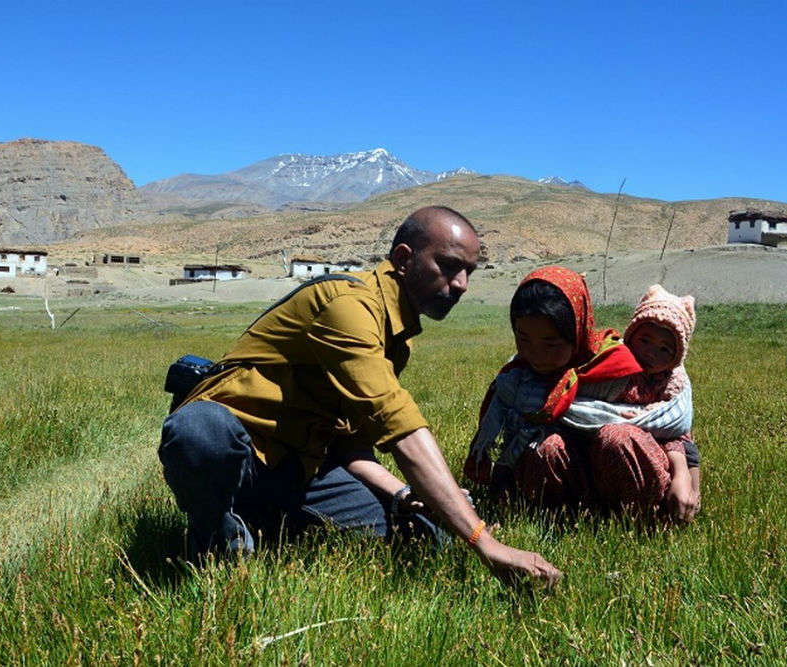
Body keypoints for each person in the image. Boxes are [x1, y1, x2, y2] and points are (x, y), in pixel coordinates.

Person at [159, 206, 561, 588]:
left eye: (469, 272)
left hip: (300, 470)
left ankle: (256, 520)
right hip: (241, 455)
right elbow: (397, 423)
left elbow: (351, 445)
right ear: (404, 259)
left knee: (425, 535)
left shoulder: (395, 340)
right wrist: (485, 543)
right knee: (201, 430)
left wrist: (404, 495)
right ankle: (216, 543)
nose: (460, 285)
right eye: (449, 266)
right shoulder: (348, 306)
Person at [463, 268, 700, 521]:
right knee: (546, 446)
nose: (535, 354)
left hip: (626, 482)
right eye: (523, 338)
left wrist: (685, 477)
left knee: (618, 437)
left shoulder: (616, 368)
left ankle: (645, 519)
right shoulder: (518, 377)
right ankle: (565, 516)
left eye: (551, 343)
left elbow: (675, 429)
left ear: (578, 330)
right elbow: (511, 439)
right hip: (577, 482)